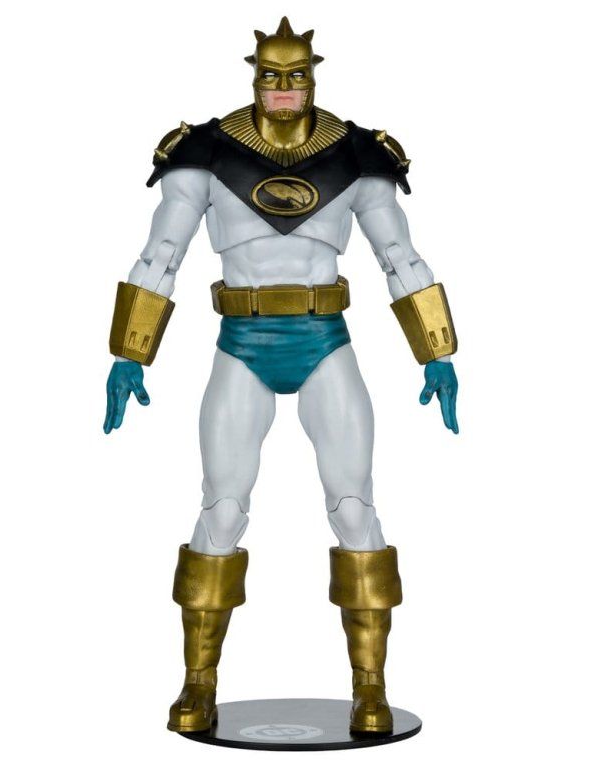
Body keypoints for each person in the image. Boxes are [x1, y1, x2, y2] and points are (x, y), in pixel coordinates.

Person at [103, 17, 459, 735]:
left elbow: (399, 255)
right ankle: (198, 683)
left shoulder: (357, 154)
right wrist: (131, 352)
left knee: (354, 508)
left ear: (314, 77)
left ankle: (370, 688)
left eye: (297, 76)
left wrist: (437, 351)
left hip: (324, 339)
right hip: (243, 341)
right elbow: (162, 252)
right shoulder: (205, 152)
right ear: (255, 77)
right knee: (221, 510)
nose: (285, 89)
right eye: (273, 76)